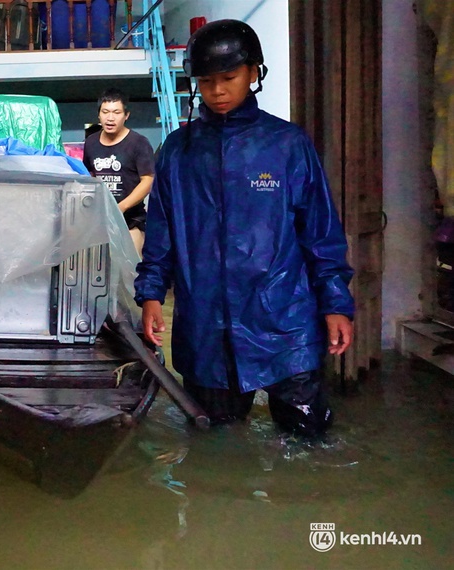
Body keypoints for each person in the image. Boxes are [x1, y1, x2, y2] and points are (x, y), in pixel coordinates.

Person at [134, 20, 355, 437]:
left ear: (254, 73)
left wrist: (336, 304)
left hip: (285, 321)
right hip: (205, 327)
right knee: (213, 441)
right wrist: (149, 296)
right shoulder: (177, 153)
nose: (217, 91)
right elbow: (160, 237)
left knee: (307, 439)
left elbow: (320, 233)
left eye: (229, 78)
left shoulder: (287, 145)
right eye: (207, 81)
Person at [82, 88, 155, 256]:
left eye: (116, 112)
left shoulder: (139, 143)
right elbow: (89, 175)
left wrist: (121, 207)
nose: (110, 118)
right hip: (99, 218)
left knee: (133, 270)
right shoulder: (91, 142)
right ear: (99, 115)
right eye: (105, 112)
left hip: (131, 220)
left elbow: (148, 180)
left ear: (126, 115)